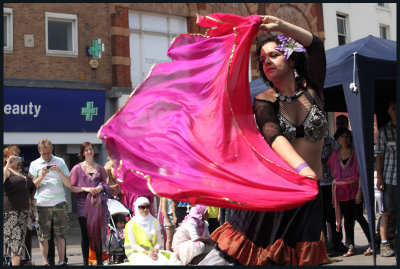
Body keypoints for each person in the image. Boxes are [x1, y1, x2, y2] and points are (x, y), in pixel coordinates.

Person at [200, 15, 329, 265]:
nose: (266, 61)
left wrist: (281, 27)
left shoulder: (313, 89)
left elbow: (316, 46)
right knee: (235, 259)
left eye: (274, 55)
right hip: (279, 192)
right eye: (262, 59)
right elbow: (273, 135)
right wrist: (303, 169)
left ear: (291, 59)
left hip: (310, 197)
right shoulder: (265, 100)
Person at [328, 128, 373, 257]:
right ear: (337, 139)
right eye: (341, 137)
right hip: (341, 191)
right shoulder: (334, 155)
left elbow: (360, 174)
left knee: (359, 216)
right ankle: (351, 245)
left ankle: (372, 243)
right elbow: (333, 173)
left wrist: (360, 191)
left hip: (354, 189)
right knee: (347, 219)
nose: (344, 139)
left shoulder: (356, 153)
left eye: (347, 136)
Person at [29, 138, 71, 266]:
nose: (46, 156)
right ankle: (45, 262)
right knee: (43, 237)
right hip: (42, 204)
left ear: (52, 150)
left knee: (61, 234)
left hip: (59, 203)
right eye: (43, 153)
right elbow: (31, 187)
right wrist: (41, 176)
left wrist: (59, 171)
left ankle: (62, 261)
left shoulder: (60, 161)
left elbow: (69, 184)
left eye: (48, 153)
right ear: (39, 151)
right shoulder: (34, 164)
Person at [70, 142, 112, 266]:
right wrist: (85, 189)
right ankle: (85, 262)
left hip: (97, 206)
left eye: (91, 149)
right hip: (83, 206)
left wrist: (100, 188)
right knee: (85, 235)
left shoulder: (101, 168)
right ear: (83, 153)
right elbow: (72, 187)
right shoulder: (77, 168)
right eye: (86, 150)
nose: (89, 152)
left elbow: (106, 186)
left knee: (97, 235)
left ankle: (99, 261)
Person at [3, 146, 36, 266]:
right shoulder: (6, 171)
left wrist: (41, 176)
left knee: (18, 244)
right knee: (15, 245)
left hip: (23, 211)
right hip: (11, 212)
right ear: (5, 158)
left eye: (17, 155)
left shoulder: (20, 172)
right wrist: (7, 164)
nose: (15, 158)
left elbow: (31, 187)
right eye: (12, 155)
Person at [320, 115, 349, 252]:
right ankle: (322, 245)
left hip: (331, 183)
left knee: (335, 215)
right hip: (317, 183)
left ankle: (337, 243)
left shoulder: (331, 141)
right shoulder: (310, 142)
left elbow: (340, 156)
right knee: (320, 217)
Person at [376, 100, 397, 257]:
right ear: (388, 112)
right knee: (387, 212)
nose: (396, 110)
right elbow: (380, 157)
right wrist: (380, 177)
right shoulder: (384, 131)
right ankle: (384, 244)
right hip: (390, 177)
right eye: (393, 108)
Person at [124, 197, 171, 265]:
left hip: (152, 251)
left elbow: (158, 241)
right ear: (137, 208)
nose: (145, 209)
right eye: (142, 207)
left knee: (165, 262)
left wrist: (155, 250)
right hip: (135, 252)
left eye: (147, 207)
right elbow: (134, 245)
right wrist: (148, 253)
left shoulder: (155, 222)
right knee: (148, 263)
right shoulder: (131, 224)